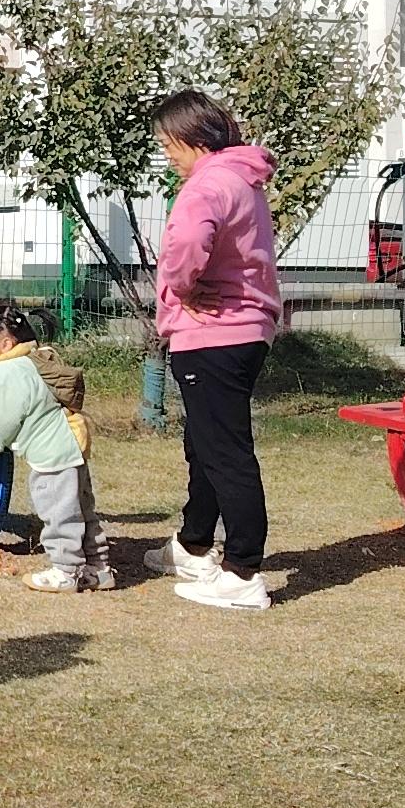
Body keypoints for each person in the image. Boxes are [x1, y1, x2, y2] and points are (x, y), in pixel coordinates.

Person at [148, 90, 282, 612]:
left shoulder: (206, 184)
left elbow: (185, 245)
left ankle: (243, 570)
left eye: (168, 145)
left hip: (213, 334)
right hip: (245, 331)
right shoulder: (243, 179)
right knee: (206, 444)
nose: (167, 156)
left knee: (224, 452)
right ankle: (194, 544)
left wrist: (181, 288)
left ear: (194, 139)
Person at [0, 304, 107, 592]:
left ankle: (66, 571)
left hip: (50, 453)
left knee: (58, 512)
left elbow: (3, 419)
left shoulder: (1, 374)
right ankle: (98, 568)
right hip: (71, 444)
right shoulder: (33, 359)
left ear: (6, 344)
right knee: (82, 509)